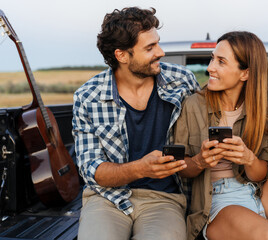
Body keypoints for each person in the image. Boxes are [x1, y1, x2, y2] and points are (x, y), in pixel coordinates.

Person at [72, 7, 199, 240]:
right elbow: (92, 170)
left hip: (164, 199)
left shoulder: (183, 81)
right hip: (106, 197)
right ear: (121, 55)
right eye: (150, 48)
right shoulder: (88, 96)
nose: (160, 52)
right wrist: (141, 167)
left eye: (157, 43)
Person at [175, 31, 268, 240]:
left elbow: (261, 175)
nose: (210, 68)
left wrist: (248, 158)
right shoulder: (194, 105)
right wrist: (200, 161)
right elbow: (179, 168)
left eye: (221, 62)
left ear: (245, 74)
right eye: (212, 58)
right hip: (220, 202)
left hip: (264, 194)